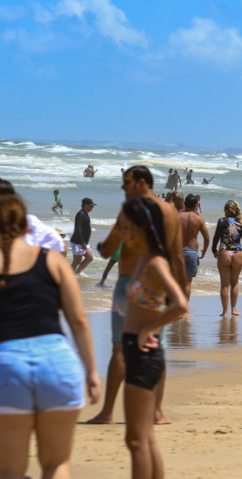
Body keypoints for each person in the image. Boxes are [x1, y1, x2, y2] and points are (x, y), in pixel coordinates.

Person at [0, 194, 101, 479]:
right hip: (58, 365)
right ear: (26, 226)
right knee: (56, 464)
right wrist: (92, 372)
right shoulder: (53, 260)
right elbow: (78, 320)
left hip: (8, 366)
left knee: (9, 470)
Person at [86, 165, 184, 427]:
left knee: (120, 348)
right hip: (159, 285)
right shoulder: (169, 211)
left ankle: (107, 412)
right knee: (157, 347)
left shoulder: (130, 211)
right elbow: (177, 256)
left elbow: (108, 249)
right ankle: (157, 412)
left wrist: (101, 246)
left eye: (126, 182)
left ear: (141, 183)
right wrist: (181, 294)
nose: (123, 187)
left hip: (129, 282)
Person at [113, 196, 189, 478]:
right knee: (144, 436)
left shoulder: (156, 262)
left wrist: (148, 329)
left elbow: (180, 304)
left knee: (136, 439)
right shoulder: (144, 259)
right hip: (136, 349)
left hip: (144, 352)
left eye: (126, 227)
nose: (122, 233)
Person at [212, 200, 242, 317]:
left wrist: (214, 249)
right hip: (237, 254)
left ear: (228, 210)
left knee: (224, 285)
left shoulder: (221, 221)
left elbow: (216, 237)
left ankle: (225, 312)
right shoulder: (241, 223)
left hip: (224, 252)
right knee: (235, 283)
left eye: (224, 208)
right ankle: (234, 309)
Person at [178, 194, 210, 303]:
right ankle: (185, 308)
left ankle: (176, 306)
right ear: (196, 205)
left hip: (178, 251)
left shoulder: (178, 216)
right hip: (192, 251)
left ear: (184, 203)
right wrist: (204, 251)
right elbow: (207, 238)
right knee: (188, 283)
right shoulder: (198, 219)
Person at [70, 197, 96, 274]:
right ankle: (68, 275)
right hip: (78, 242)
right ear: (85, 205)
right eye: (91, 206)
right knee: (77, 261)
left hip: (83, 242)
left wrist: (84, 243)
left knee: (90, 258)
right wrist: (82, 243)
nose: (92, 207)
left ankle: (77, 273)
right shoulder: (80, 214)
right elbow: (78, 229)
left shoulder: (85, 214)